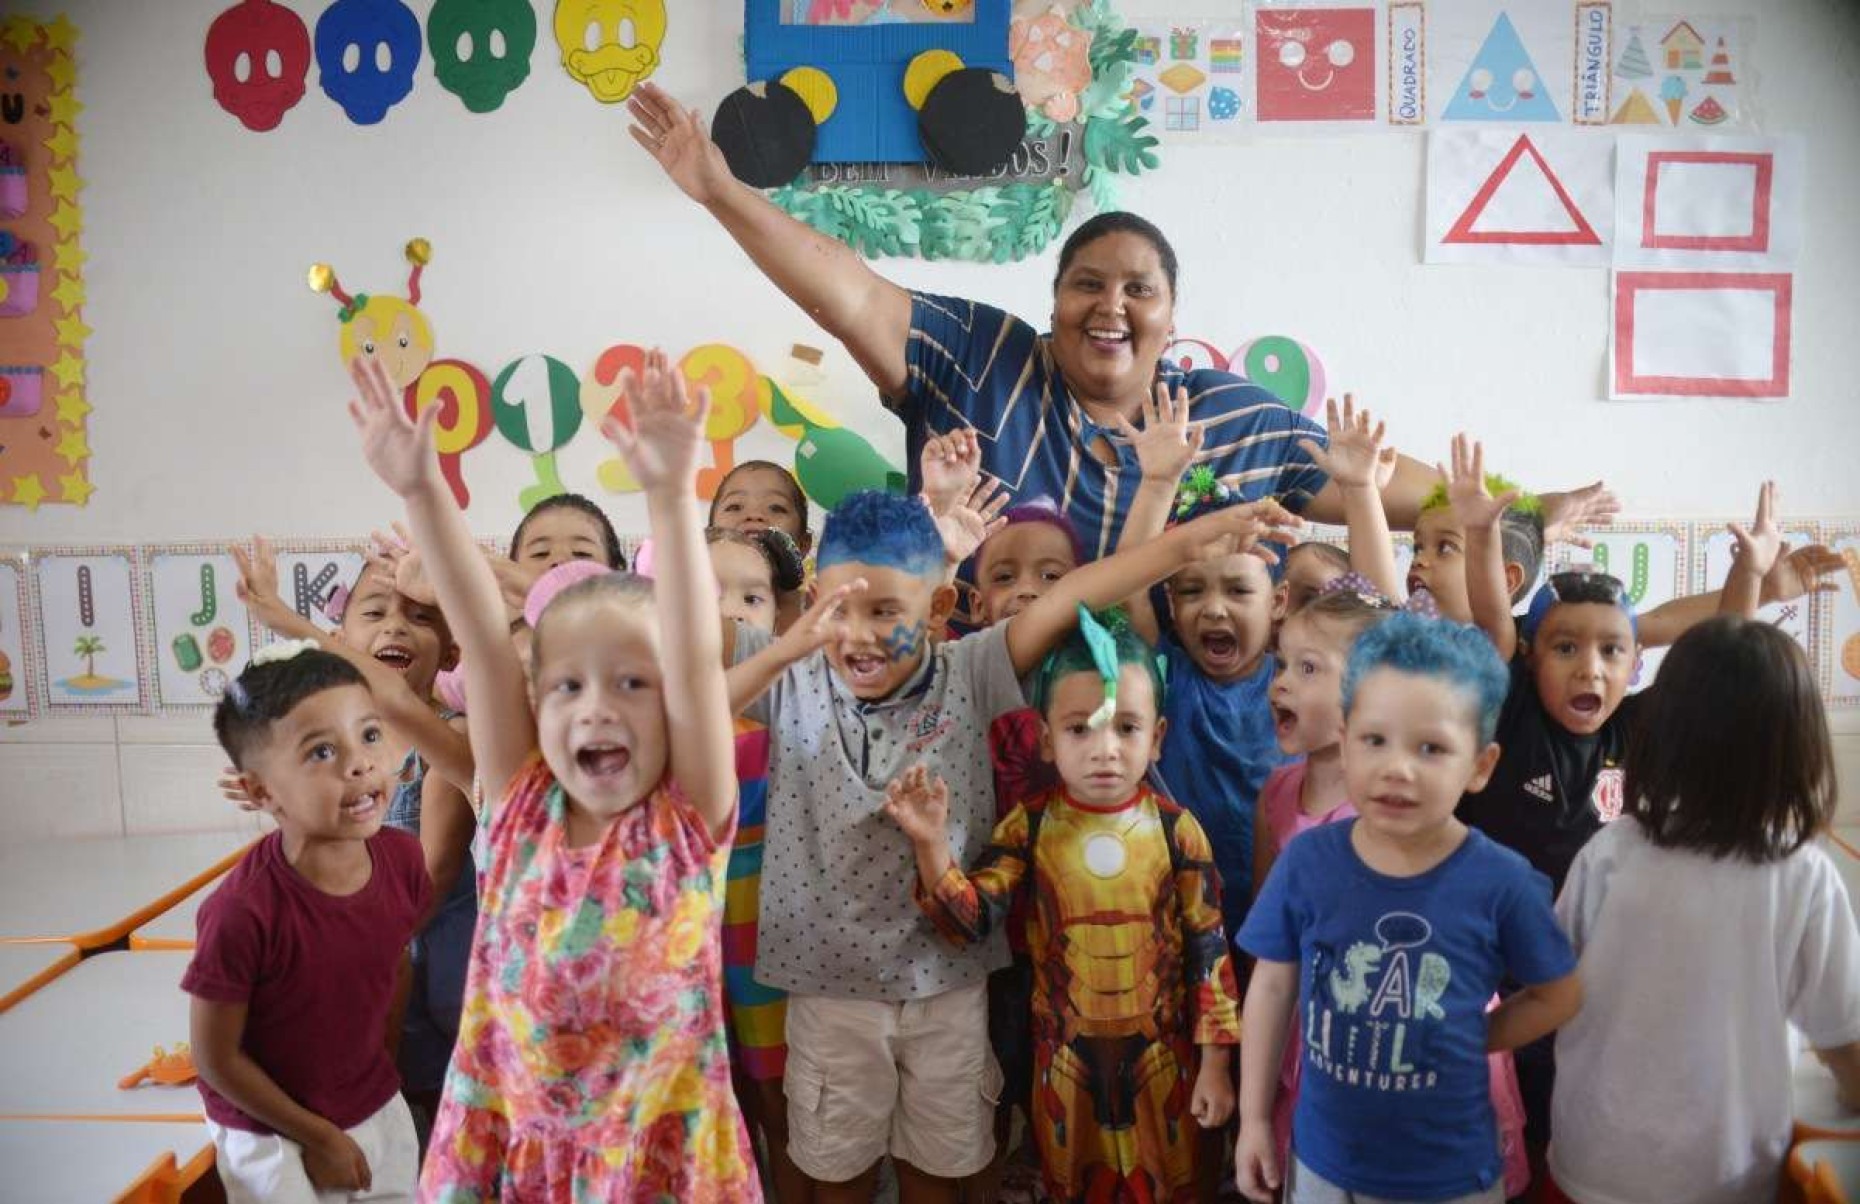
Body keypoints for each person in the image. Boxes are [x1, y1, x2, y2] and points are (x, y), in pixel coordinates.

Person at [622, 83, 1619, 567]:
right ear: (1052, 301)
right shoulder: (979, 354)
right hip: (984, 701)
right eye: (1086, 284)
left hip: (1159, 737)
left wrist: (1531, 503)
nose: (1111, 307)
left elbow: (1411, 496)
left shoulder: (1227, 415)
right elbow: (844, 288)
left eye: (1139, 289)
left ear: (1172, 317)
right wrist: (716, 187)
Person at [725, 486, 1298, 1203]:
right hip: (828, 990)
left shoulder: (970, 669)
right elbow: (683, 639)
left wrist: (1194, 539)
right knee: (834, 1170)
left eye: (886, 614)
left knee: (935, 1171)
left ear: (938, 609)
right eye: (840, 609)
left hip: (948, 986)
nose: (859, 636)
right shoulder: (787, 673)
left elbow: (1079, 594)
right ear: (813, 598)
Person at [348, 351, 760, 1199]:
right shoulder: (519, 799)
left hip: (655, 1157)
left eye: (630, 683)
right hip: (518, 1151)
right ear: (535, 701)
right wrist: (423, 492)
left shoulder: (688, 820)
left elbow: (689, 656)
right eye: (568, 684)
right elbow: (476, 628)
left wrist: (673, 497)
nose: (596, 707)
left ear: (675, 708)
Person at [884, 613, 1240, 1202]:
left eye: (1126, 728)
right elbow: (970, 923)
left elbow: (1212, 956)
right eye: (1080, 729)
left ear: (1156, 737)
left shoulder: (1178, 832)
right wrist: (930, 845)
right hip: (1065, 1065)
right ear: (1047, 739)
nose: (1104, 750)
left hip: (1167, 1062)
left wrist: (1217, 1066)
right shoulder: (1030, 825)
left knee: (1178, 1183)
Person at [1235, 614, 1582, 1204]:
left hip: (1448, 1176)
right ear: (1344, 743)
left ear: (1480, 766)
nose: (1398, 767)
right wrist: (1253, 1121)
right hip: (1322, 1162)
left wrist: (1479, 1035)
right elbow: (1272, 987)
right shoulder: (1307, 862)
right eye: (1376, 740)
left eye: (1431, 747)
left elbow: (1560, 993)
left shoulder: (1502, 881)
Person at [1546, 614, 1860, 1204]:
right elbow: (1843, 1040)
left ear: (1664, 732)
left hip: (1590, 1162)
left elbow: (1552, 986)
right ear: (1798, 747)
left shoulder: (1611, 852)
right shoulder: (1801, 875)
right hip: (1723, 1177)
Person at [187, 644, 431, 1203]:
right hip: (268, 1127)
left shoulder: (403, 861)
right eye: (322, 751)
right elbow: (215, 1058)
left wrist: (377, 1078)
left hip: (369, 1099)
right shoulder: (242, 912)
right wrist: (318, 1134)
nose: (359, 763)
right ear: (259, 791)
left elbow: (395, 967)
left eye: (369, 736)